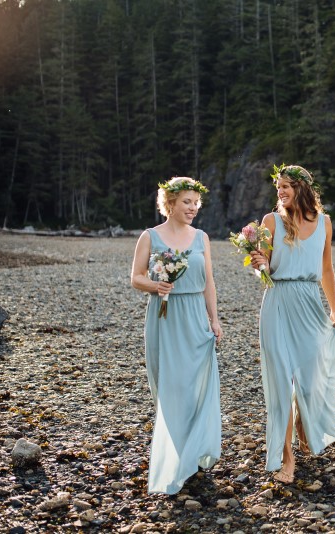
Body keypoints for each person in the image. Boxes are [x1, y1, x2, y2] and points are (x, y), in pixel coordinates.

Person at [249, 164, 335, 485]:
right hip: (277, 302)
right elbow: (261, 263)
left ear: (303, 187)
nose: (281, 191)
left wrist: (334, 310)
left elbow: (327, 269)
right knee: (280, 381)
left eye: (287, 186)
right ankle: (286, 455)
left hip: (309, 304)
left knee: (309, 378)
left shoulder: (325, 224)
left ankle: (304, 424)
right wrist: (258, 262)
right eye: (278, 187)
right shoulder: (271, 221)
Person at [130, 176, 223, 494]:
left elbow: (208, 281)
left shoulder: (202, 238)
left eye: (197, 203)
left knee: (195, 386)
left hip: (196, 316)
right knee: (170, 387)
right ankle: (175, 452)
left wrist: (215, 320)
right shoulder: (150, 237)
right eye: (187, 202)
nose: (193, 208)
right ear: (169, 203)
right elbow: (136, 278)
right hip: (164, 319)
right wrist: (157, 285)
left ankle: (192, 453)